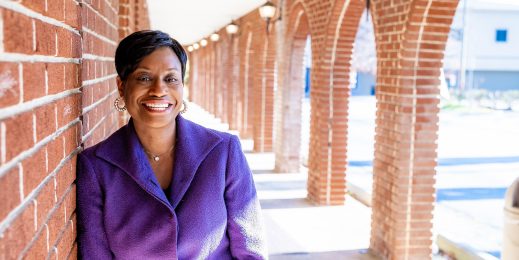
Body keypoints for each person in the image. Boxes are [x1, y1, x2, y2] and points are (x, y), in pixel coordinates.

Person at [76, 30, 267, 259]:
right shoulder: (96, 166)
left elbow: (250, 250)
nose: (159, 90)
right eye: (144, 78)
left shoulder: (224, 152)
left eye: (171, 79)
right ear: (121, 86)